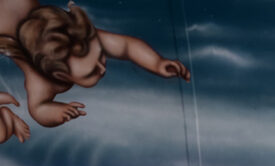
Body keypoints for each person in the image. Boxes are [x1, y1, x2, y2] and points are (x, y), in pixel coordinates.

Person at [0, 2, 189, 128]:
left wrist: (157, 63)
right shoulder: (40, 81)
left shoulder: (84, 40)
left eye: (101, 57)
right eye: (90, 72)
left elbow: (126, 46)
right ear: (60, 76)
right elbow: (38, 109)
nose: (102, 68)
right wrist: (56, 112)